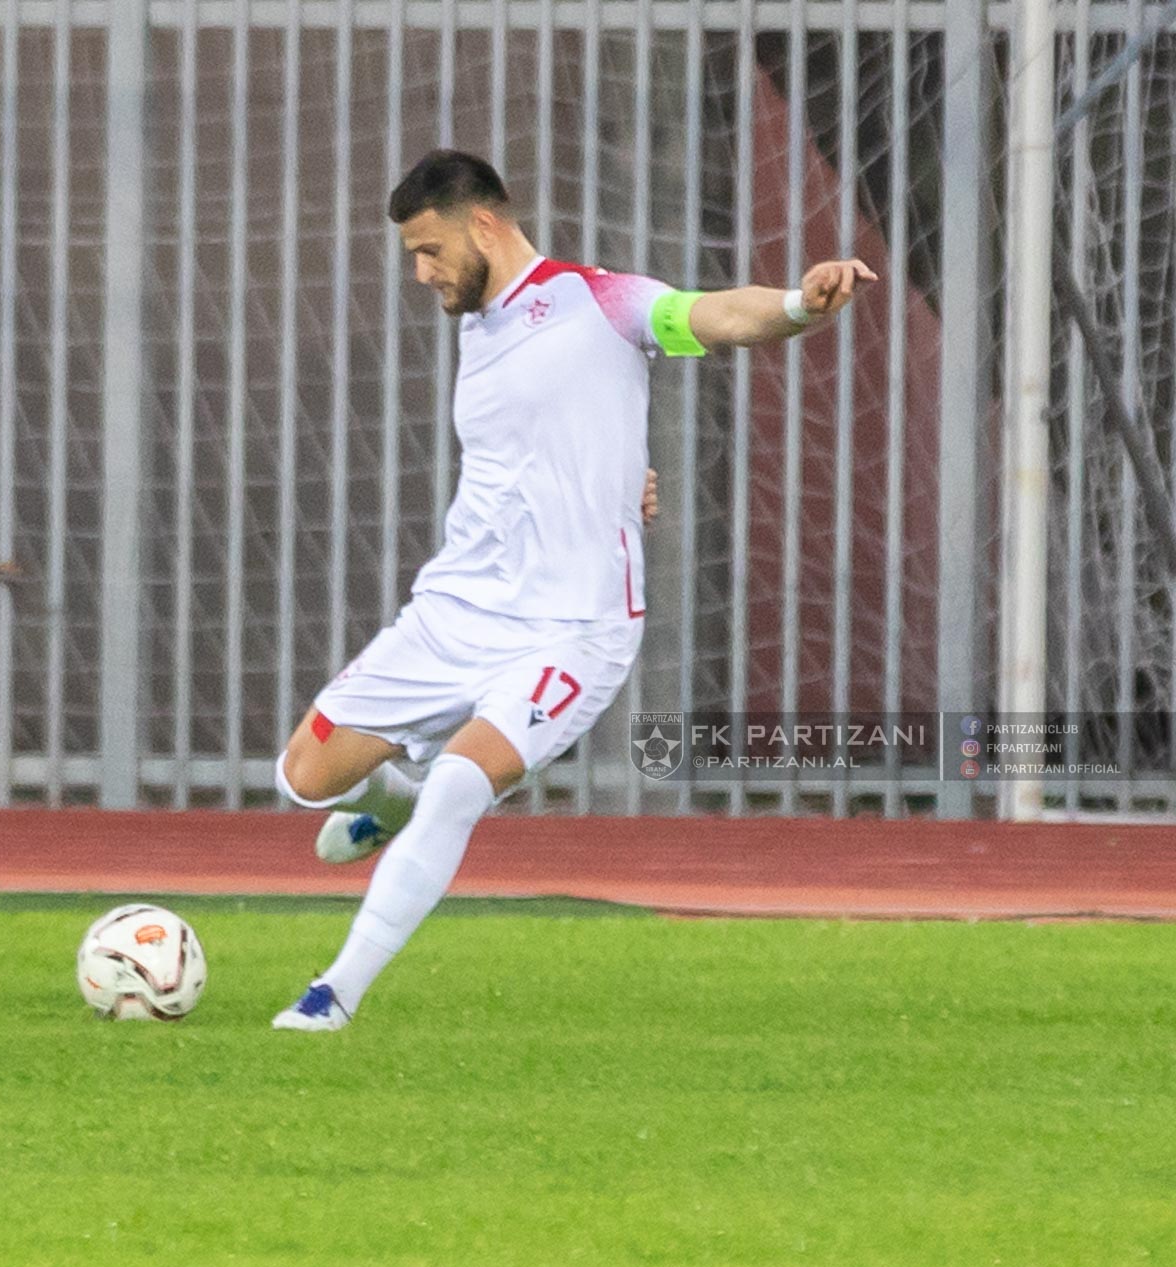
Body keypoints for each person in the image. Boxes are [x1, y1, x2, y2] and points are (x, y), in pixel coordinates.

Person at [270, 149, 875, 1031]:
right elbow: (530, 457)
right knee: (305, 775)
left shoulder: (599, 301)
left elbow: (715, 316)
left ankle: (333, 994)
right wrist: (621, 483)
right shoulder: (479, 328)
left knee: (459, 786)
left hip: (573, 629)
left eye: (429, 249)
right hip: (455, 611)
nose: (421, 272)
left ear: (483, 225)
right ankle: (391, 806)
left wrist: (797, 304)